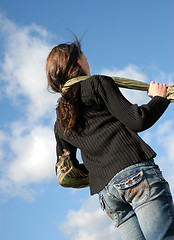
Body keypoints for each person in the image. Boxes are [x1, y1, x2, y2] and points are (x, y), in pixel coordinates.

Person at [46, 38, 174, 240]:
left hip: (108, 195)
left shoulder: (59, 118)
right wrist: (160, 98)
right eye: (84, 57)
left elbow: (66, 169)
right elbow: (138, 121)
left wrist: (100, 168)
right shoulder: (97, 83)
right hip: (136, 176)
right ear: (78, 63)